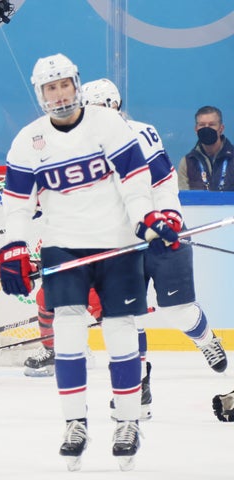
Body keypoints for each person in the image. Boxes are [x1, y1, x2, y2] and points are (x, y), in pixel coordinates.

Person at [0, 53, 179, 471]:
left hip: (116, 243)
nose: (59, 93)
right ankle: (74, 423)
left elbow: (135, 179)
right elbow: (17, 204)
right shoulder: (28, 140)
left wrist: (146, 218)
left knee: (120, 332)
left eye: (64, 84)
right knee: (68, 331)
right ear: (40, 94)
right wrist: (15, 247)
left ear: (76, 84)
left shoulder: (108, 125)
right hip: (64, 246)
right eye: (50, 87)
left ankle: (128, 422)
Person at [82, 78, 228, 419]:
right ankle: (139, 386)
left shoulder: (141, 133)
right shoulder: (81, 148)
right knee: (128, 316)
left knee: (178, 311)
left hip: (161, 231)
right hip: (119, 242)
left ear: (114, 106)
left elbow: (163, 182)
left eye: (100, 109)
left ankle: (205, 338)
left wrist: (171, 218)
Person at [177, 106, 234, 191]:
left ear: (221, 129)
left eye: (211, 124)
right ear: (196, 129)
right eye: (202, 125)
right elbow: (184, 200)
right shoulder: (187, 162)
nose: (206, 128)